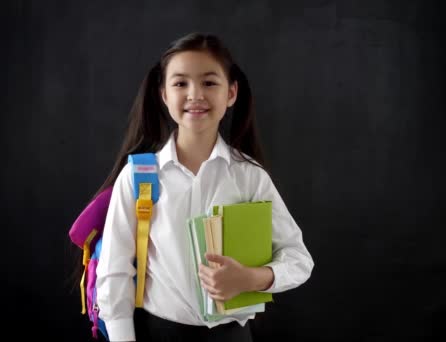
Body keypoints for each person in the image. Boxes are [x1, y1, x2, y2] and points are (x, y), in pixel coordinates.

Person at [93, 32, 314, 342]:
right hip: (158, 333)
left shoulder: (249, 177)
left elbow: (299, 260)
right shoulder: (139, 176)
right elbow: (113, 272)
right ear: (163, 94)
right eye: (180, 83)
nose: (195, 94)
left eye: (209, 83)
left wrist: (251, 278)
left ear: (232, 93)